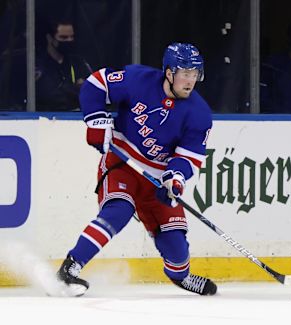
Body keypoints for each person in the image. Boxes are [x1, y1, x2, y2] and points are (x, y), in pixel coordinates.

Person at [55, 43, 217, 297]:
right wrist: (96, 120)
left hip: (156, 180)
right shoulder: (138, 79)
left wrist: (174, 180)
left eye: (195, 74)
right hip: (122, 163)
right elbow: (96, 84)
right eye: (185, 73)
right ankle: (69, 269)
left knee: (176, 246)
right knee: (118, 211)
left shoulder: (199, 114)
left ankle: (181, 277)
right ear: (169, 72)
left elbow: (187, 158)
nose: (190, 81)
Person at [35, 19, 92, 111]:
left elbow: (92, 92)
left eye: (71, 37)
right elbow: (48, 95)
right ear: (50, 38)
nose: (69, 40)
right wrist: (75, 89)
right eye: (63, 37)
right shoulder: (38, 64)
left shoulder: (79, 63)